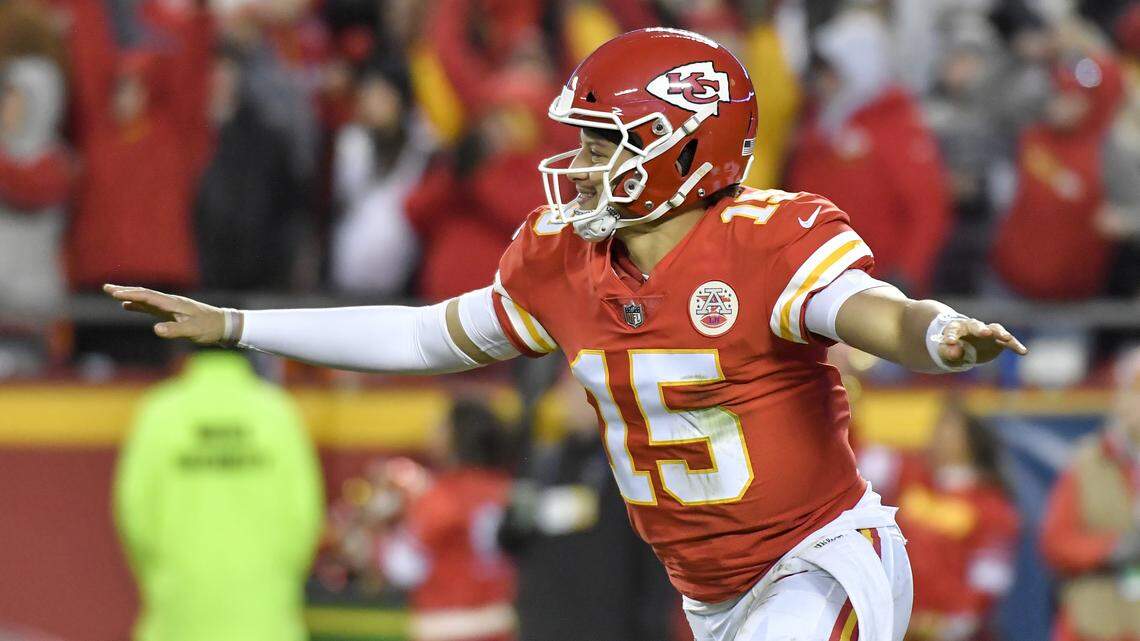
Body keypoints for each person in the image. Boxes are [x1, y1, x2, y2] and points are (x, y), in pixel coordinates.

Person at [104, 28, 1028, 641]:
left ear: (682, 148)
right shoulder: (562, 261)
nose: (580, 163)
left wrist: (937, 332)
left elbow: (867, 311)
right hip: (711, 593)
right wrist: (238, 324)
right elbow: (428, 336)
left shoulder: (762, 242)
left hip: (822, 560)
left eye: (604, 140)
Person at [114, 349, 324, 641]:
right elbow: (305, 514)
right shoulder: (277, 411)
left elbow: (135, 512)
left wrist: (162, 576)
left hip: (177, 618)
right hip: (267, 621)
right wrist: (277, 577)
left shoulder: (160, 411)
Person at [498, 373, 676, 641]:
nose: (570, 401)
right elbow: (508, 539)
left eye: (580, 392)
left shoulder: (630, 463)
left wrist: (652, 623)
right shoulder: (543, 462)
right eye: (566, 391)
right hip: (546, 622)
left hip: (612, 621)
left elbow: (652, 551)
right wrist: (520, 512)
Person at [861, 403, 1019, 641]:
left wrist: (954, 624)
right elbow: (853, 459)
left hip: (953, 632)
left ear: (971, 441)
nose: (939, 437)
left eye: (950, 430)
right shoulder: (909, 475)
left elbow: (989, 579)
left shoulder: (993, 507)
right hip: (898, 622)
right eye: (938, 428)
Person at [379, 399, 517, 641]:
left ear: (456, 435)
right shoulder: (506, 489)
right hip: (501, 627)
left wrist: (382, 531)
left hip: (449, 627)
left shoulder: (442, 496)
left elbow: (403, 566)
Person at [1040, 348, 1140, 641]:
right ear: (1119, 399)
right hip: (1094, 623)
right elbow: (1056, 543)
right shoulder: (1088, 462)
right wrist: (1112, 549)